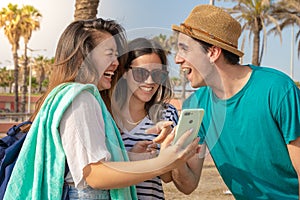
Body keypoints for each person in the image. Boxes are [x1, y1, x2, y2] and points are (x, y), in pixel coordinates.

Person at [3, 18, 200, 200]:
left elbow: (74, 163)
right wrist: (161, 162)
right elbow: (93, 174)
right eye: (109, 54)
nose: (116, 63)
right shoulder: (82, 98)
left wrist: (129, 155)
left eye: (117, 55)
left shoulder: (64, 96)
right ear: (84, 57)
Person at [170, 4, 300, 199]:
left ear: (213, 52)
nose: (177, 59)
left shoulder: (278, 90)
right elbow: (188, 185)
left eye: (185, 50)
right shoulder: (195, 105)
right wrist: (174, 154)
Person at [111, 37, 179, 199]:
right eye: (141, 73)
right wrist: (132, 158)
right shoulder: (106, 114)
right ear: (125, 73)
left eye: (158, 75)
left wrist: (165, 148)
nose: (150, 82)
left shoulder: (167, 114)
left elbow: (167, 177)